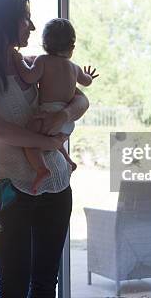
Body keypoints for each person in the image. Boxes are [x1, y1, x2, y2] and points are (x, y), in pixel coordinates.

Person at [0, 0, 89, 298]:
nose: (32, 27)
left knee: (45, 286)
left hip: (56, 185)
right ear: (4, 22)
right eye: (25, 19)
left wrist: (64, 116)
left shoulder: (33, 65)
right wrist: (50, 138)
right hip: (9, 193)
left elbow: (82, 99)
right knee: (14, 287)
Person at [11, 18, 98, 193]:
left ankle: (42, 169)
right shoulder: (74, 68)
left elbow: (29, 77)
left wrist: (18, 59)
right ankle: (69, 160)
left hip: (48, 114)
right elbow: (86, 82)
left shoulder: (43, 61)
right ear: (71, 48)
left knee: (29, 138)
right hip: (67, 122)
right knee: (56, 140)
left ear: (45, 44)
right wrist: (88, 76)